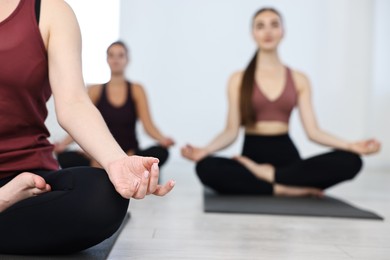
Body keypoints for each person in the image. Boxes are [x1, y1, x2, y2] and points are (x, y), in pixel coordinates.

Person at [0, 0, 174, 255]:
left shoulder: (50, 11)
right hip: (11, 197)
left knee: (103, 197)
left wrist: (117, 162)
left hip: (31, 181)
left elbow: (73, 103)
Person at [181, 7, 381, 197]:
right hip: (251, 157)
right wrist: (205, 150)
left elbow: (314, 132)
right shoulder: (238, 79)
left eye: (274, 24)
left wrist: (351, 146)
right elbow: (230, 131)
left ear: (283, 31)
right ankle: (284, 189)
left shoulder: (299, 79)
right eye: (260, 26)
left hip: (287, 160)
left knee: (352, 161)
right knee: (205, 167)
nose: (268, 31)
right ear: (253, 34)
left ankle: (271, 177)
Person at [54, 41, 174, 169]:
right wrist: (63, 144)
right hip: (102, 156)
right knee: (65, 157)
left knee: (160, 152)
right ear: (107, 59)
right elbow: (82, 124)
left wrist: (162, 139)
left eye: (120, 55)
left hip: (130, 153)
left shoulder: (136, 89)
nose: (116, 59)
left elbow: (148, 125)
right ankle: (107, 165)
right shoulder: (95, 90)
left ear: (127, 60)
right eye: (111, 55)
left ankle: (125, 164)